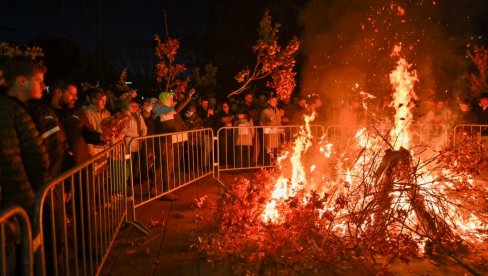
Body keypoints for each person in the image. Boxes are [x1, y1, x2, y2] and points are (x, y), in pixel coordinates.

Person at [0, 57, 50, 276]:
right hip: (16, 207)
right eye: (38, 81)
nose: (42, 86)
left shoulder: (19, 109)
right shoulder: (6, 111)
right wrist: (28, 207)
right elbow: (11, 164)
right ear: (21, 81)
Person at [123, 100, 147, 184]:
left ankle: (135, 177)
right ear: (128, 107)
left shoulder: (139, 116)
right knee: (130, 161)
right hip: (130, 142)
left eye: (136, 106)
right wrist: (137, 135)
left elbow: (144, 127)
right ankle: (129, 179)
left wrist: (143, 135)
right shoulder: (125, 116)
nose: (135, 108)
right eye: (133, 106)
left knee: (137, 161)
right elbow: (124, 130)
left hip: (138, 142)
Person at [84, 88, 112, 157]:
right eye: (101, 100)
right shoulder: (87, 113)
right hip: (94, 151)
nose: (104, 103)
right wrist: (91, 152)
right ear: (93, 100)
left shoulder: (107, 113)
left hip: (105, 149)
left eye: (105, 101)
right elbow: (87, 134)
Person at [260, 95, 281, 165]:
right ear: (269, 102)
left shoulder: (278, 111)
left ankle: (274, 165)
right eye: (273, 101)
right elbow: (261, 123)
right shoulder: (265, 111)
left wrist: (281, 130)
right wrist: (268, 120)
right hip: (269, 135)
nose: (275, 102)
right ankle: (267, 165)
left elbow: (279, 122)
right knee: (269, 150)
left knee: (276, 150)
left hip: (276, 134)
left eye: (276, 101)